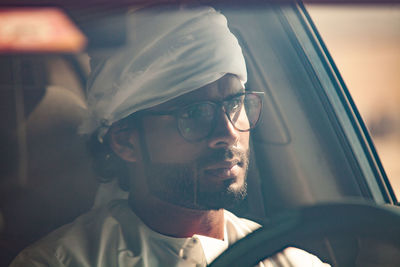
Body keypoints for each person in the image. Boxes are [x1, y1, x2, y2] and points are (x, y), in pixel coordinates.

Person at [10, 5, 329, 267]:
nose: (227, 133)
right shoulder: (59, 262)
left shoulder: (290, 261)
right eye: (194, 113)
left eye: (234, 104)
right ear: (125, 141)